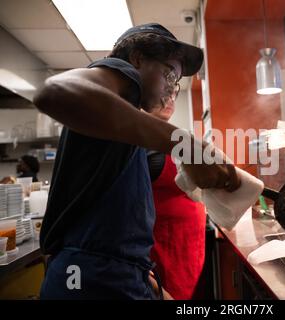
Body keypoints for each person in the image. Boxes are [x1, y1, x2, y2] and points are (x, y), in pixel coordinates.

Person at [33, 23, 240, 300]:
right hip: (90, 278)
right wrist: (184, 144)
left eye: (176, 83)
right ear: (138, 58)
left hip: (112, 275)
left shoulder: (125, 125)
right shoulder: (124, 76)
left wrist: (142, 275)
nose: (171, 89)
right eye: (169, 74)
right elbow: (54, 92)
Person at [148, 91, 206, 300]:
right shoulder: (146, 148)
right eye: (163, 92)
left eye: (173, 93)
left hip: (188, 251)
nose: (170, 98)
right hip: (165, 255)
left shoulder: (174, 140)